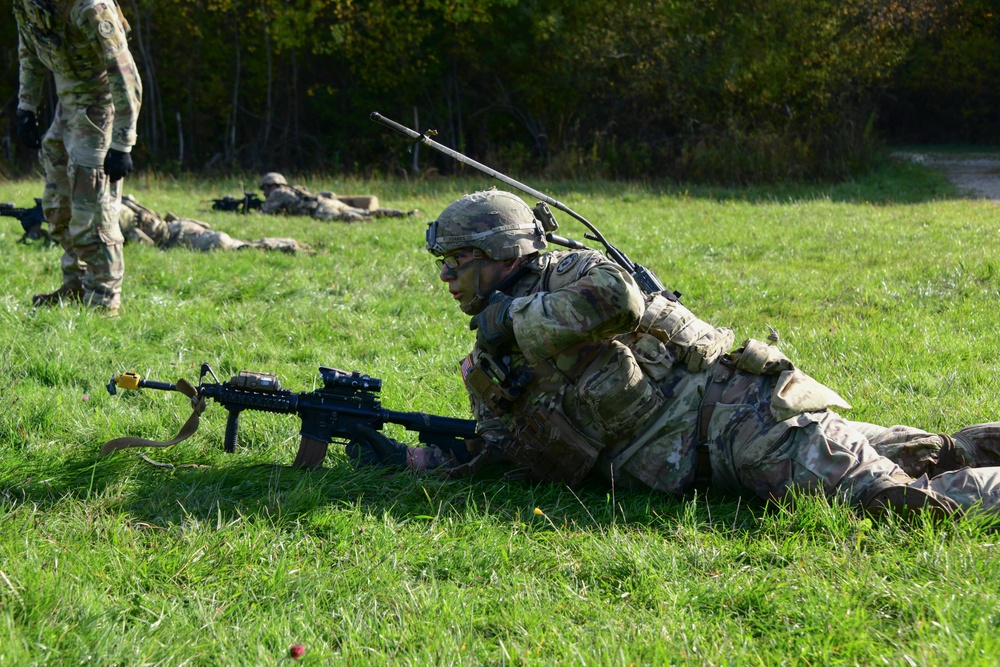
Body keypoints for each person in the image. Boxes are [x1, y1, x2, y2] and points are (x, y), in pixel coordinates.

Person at [344, 189, 1000, 519]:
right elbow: (507, 455)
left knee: (901, 507)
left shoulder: (570, 276)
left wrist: (511, 318)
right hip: (720, 462)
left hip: (749, 420)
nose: (446, 278)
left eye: (456, 262)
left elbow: (620, 302)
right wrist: (419, 459)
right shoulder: (489, 361)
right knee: (933, 452)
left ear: (501, 255)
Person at [14, 0, 142, 316]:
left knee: (94, 215)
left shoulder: (90, 7)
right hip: (66, 107)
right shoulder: (27, 4)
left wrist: (123, 142)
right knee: (58, 207)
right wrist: (27, 107)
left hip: (100, 109)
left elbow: (124, 73)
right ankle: (76, 286)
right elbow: (29, 50)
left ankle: (103, 304)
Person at [119, 195, 312, 253]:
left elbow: (146, 243)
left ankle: (290, 247)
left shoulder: (127, 224)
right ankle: (290, 243)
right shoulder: (126, 203)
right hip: (181, 226)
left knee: (242, 247)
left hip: (181, 236)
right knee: (242, 243)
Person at [258, 172, 416, 222]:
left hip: (320, 209)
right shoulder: (294, 189)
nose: (265, 193)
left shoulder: (277, 193)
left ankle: (368, 223)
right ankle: (402, 214)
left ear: (271, 185)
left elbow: (264, 214)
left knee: (343, 217)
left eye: (265, 189)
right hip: (328, 201)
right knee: (367, 211)